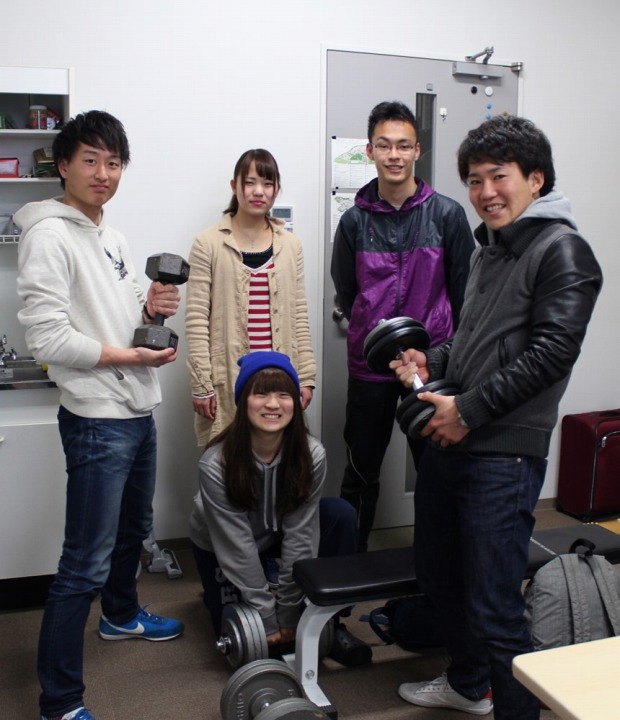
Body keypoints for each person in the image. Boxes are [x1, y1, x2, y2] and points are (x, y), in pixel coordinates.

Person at [391, 115, 603, 719]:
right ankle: (468, 684)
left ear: (536, 179)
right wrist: (430, 359)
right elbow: (472, 343)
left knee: (495, 609)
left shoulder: (563, 251)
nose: (486, 192)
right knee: (441, 580)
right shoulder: (492, 248)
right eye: (474, 180)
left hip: (503, 455)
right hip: (452, 441)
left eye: (499, 176)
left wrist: (469, 409)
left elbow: (552, 354)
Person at [15, 111, 185, 720]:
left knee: (133, 531)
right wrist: (129, 356)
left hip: (136, 406)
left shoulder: (110, 236)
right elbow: (47, 339)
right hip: (96, 416)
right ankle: (60, 701)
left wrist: (150, 308)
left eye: (113, 163)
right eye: (90, 160)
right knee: (83, 562)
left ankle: (120, 616)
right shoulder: (48, 236)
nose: (103, 173)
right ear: (63, 165)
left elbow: (116, 312)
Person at [330, 100, 475, 551]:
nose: (394, 155)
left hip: (431, 366)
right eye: (384, 145)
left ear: (417, 150)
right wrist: (374, 335)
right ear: (370, 150)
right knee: (360, 472)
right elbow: (347, 291)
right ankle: (347, 569)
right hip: (370, 368)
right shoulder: (353, 221)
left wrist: (442, 353)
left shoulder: (447, 215)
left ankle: (438, 570)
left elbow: (464, 293)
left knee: (437, 470)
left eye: (403, 145)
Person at [189, 351, 372, 666]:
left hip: (277, 533)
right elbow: (236, 546)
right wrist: (267, 617)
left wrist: (287, 613)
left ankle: (332, 620)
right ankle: (236, 591)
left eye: (283, 395)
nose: (273, 404)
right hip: (223, 545)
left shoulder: (311, 454)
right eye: (261, 394)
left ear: (295, 403)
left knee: (340, 514)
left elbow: (301, 533)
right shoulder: (215, 464)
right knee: (246, 647)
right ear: (244, 401)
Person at [185, 149, 316, 449]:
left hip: (279, 379)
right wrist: (202, 384)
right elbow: (196, 319)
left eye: (268, 183)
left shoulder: (291, 245)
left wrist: (306, 376)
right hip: (228, 375)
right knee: (227, 460)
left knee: (278, 460)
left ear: (277, 189)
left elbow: (299, 315)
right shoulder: (208, 243)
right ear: (235, 186)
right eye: (250, 182)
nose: (259, 191)